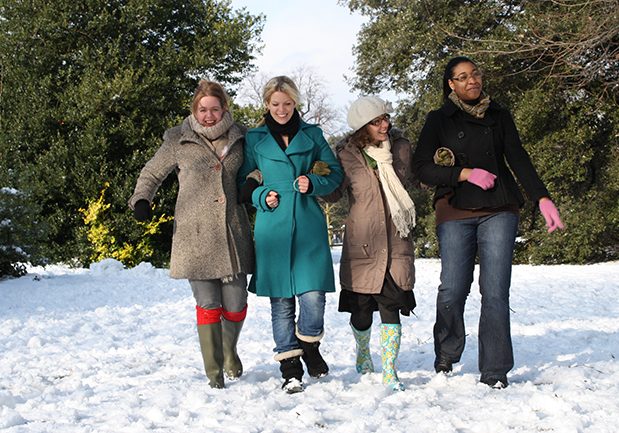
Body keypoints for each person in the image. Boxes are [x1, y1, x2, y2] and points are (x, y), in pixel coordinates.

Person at [412, 56, 565, 389]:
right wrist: (463, 173)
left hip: (499, 206)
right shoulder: (438, 120)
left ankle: (495, 370)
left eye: (475, 74)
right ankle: (447, 351)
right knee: (453, 287)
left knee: (495, 291)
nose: (472, 80)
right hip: (455, 209)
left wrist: (542, 197)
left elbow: (518, 157)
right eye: (463, 77)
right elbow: (421, 167)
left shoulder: (499, 115)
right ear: (450, 84)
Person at [129, 80, 254, 389]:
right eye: (202, 110)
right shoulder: (178, 139)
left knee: (236, 303)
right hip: (194, 235)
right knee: (209, 303)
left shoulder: (242, 137)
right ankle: (214, 373)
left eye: (214, 109)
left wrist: (252, 181)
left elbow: (260, 166)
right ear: (194, 111)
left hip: (231, 232)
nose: (208, 115)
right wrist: (142, 198)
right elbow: (152, 172)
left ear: (224, 109)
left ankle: (229, 352)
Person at [238, 76, 343, 394]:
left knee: (314, 298)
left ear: (295, 103)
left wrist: (313, 182)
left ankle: (310, 344)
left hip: (309, 224)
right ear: (267, 104)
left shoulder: (312, 135)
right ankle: (290, 367)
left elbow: (334, 172)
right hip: (273, 226)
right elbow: (246, 181)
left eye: (287, 103)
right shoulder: (254, 139)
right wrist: (261, 197)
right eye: (275, 104)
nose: (281, 109)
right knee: (281, 302)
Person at [323, 96, 417, 391]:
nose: (385, 124)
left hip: (396, 241)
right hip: (362, 244)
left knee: (392, 306)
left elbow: (419, 180)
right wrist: (316, 178)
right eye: (377, 121)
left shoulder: (401, 148)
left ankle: (390, 370)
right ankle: (363, 352)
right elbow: (333, 194)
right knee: (361, 312)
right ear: (363, 126)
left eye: (386, 118)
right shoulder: (345, 154)